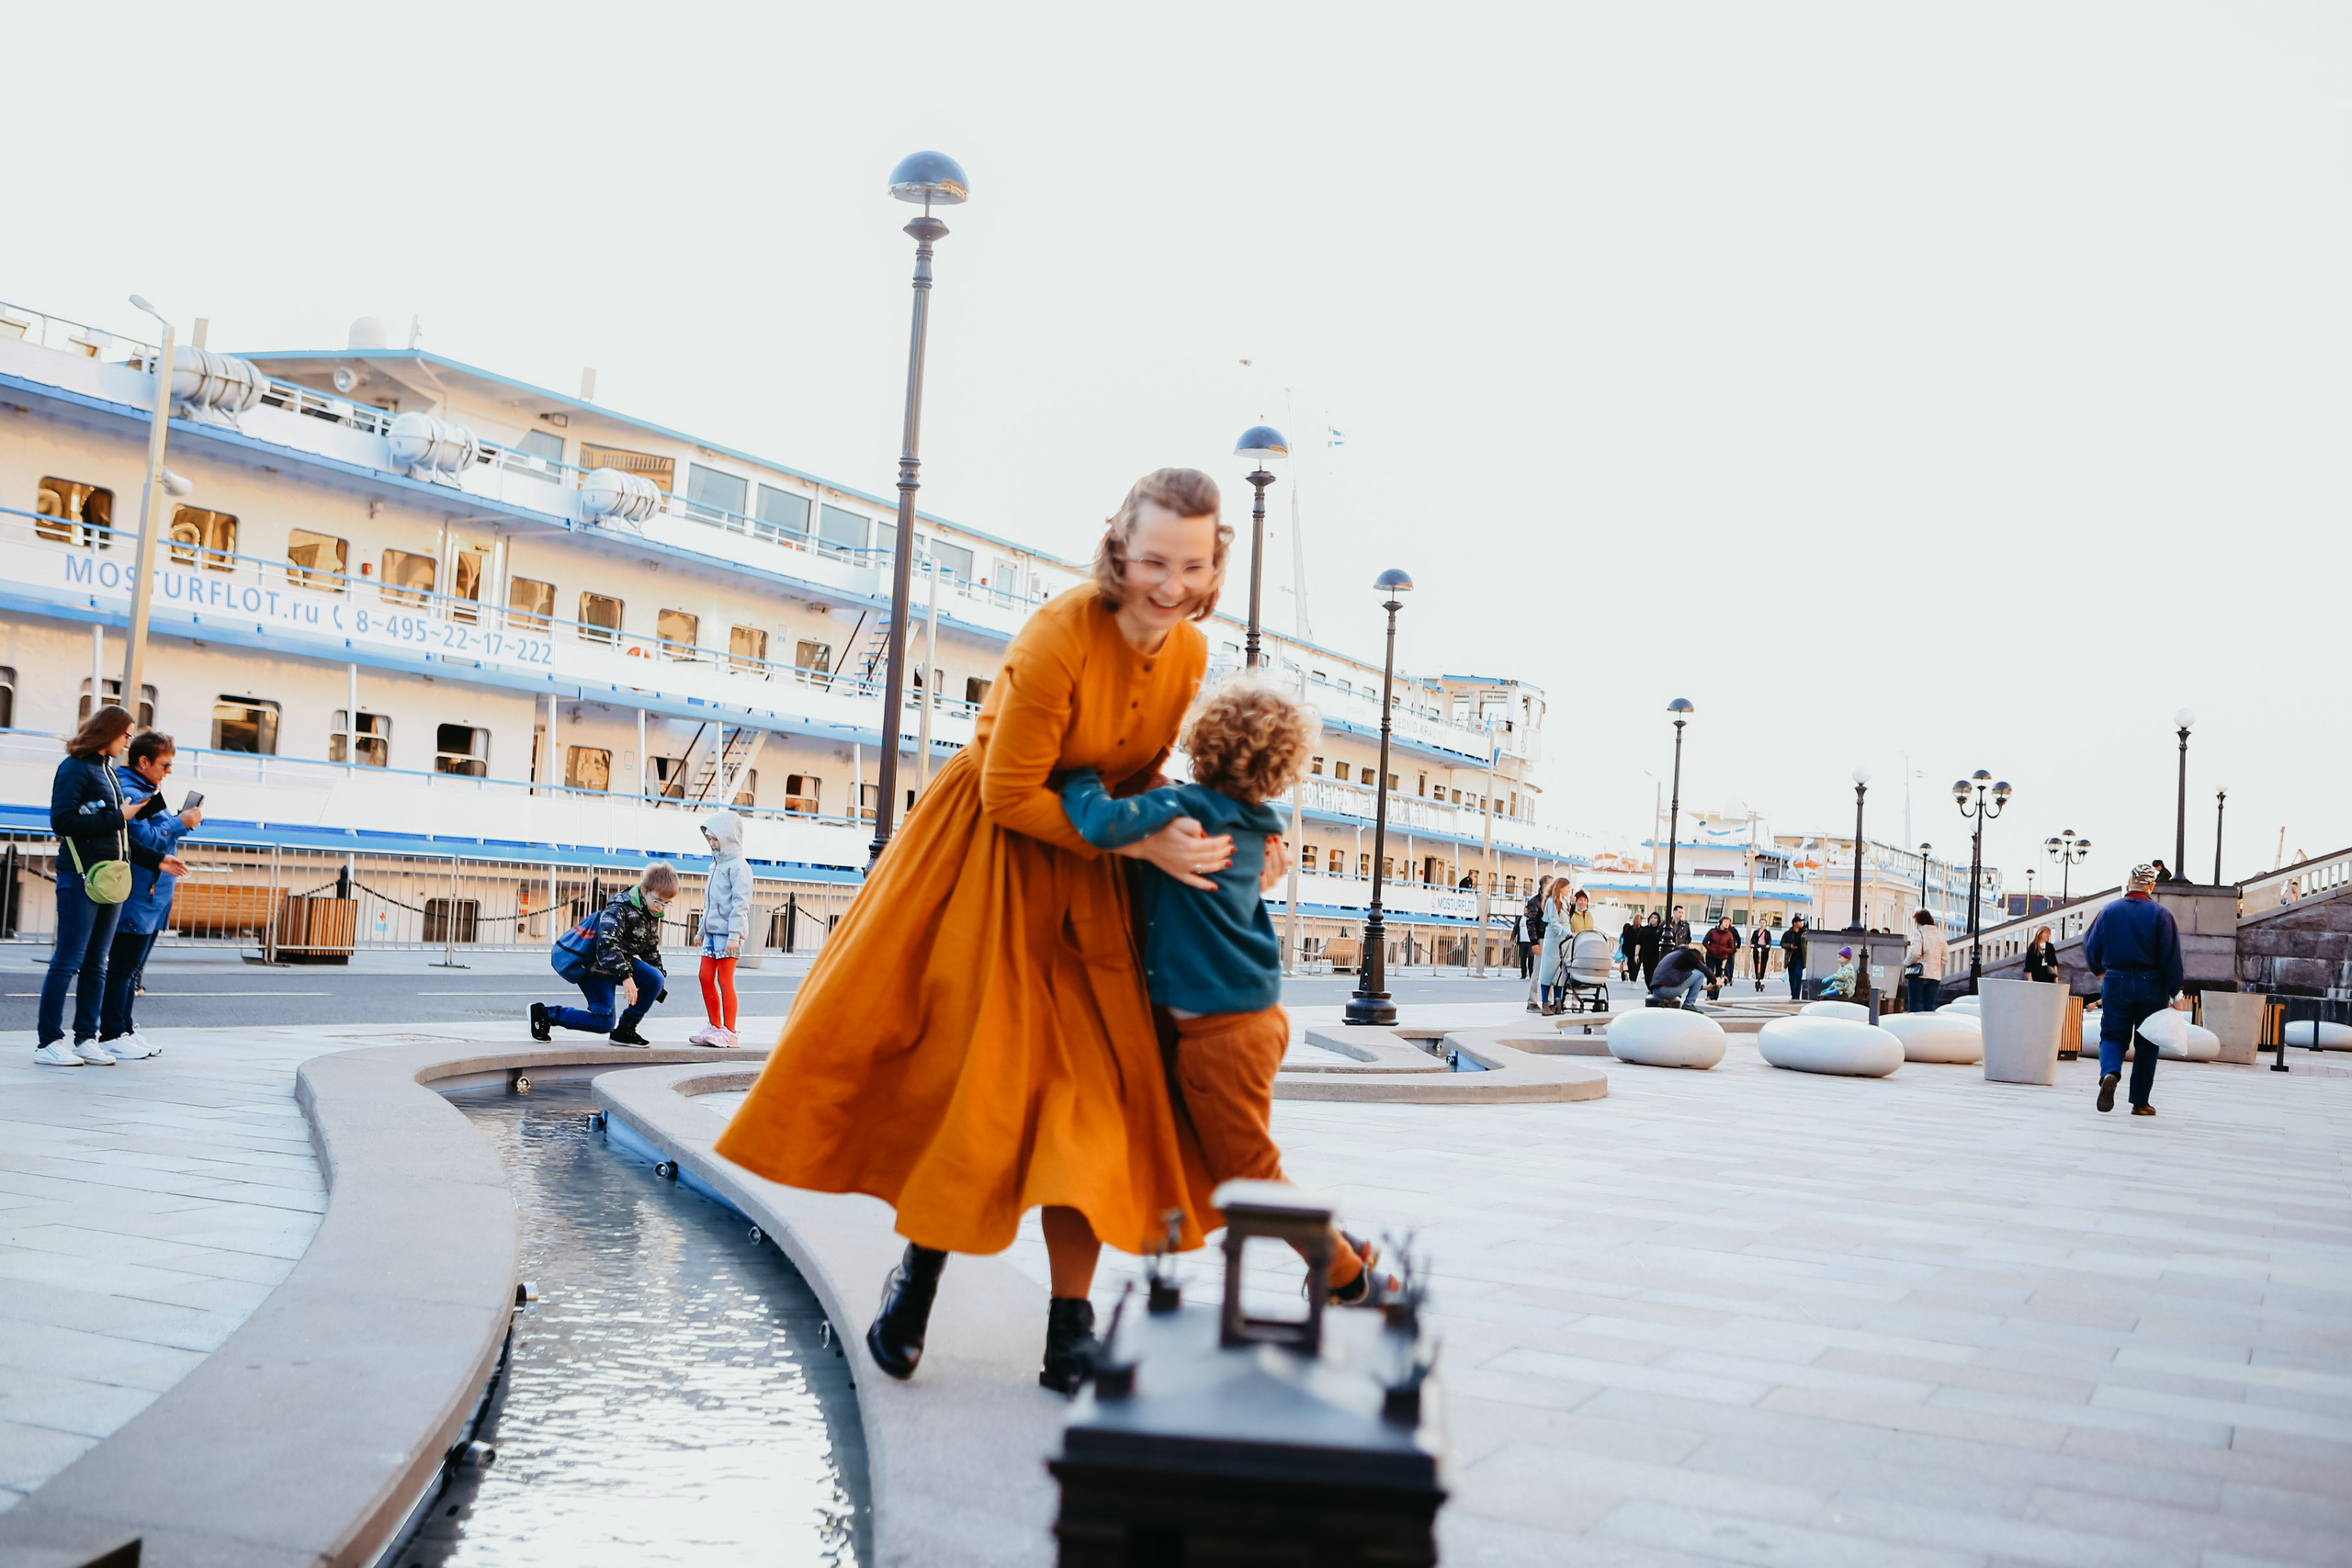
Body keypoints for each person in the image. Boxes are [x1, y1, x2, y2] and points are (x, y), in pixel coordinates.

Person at [713, 468, 1237, 1397]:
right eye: (1154, 559)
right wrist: (1140, 838)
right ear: (1120, 546)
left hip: (1093, 873)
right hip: (989, 866)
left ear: (1212, 563)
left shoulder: (1190, 654)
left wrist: (1195, 830)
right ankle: (915, 1288)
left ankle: (1067, 1333)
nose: (1169, 584)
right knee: (984, 1097)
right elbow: (1007, 795)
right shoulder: (1058, 636)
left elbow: (1139, 768)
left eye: (1189, 566)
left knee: (1086, 1111)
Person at [1058, 679, 1387, 1307]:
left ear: (1202, 741)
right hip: (1253, 1018)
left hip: (1220, 1036)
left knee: (1249, 1170)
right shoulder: (1260, 825)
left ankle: (1341, 1269)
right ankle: (1338, 1241)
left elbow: (1099, 822)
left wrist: (1080, 770)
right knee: (1239, 1155)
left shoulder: (1184, 810)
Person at [35, 708, 187, 1066]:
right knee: (67, 960)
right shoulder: (75, 767)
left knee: (96, 963)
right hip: (82, 875)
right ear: (110, 732)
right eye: (127, 735)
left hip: (111, 876)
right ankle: (48, 1041)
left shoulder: (105, 769)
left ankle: (86, 1038)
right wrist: (119, 815)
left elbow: (120, 834)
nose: (128, 742)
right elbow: (62, 820)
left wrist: (157, 860)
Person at [98, 730, 201, 1060]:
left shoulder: (144, 788)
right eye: (164, 764)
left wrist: (177, 821)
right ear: (144, 762)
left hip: (151, 893)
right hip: (139, 892)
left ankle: (124, 1028)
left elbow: (152, 834)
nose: (168, 771)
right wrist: (180, 823)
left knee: (131, 968)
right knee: (124, 967)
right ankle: (112, 1032)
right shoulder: (132, 792)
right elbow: (144, 841)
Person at [532, 862, 675, 1046]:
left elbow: (649, 949)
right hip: (595, 966)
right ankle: (546, 1014)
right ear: (645, 891)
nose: (661, 908)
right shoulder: (618, 909)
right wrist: (627, 978)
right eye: (658, 901)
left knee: (655, 978)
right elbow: (606, 947)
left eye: (667, 904)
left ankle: (625, 1030)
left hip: (620, 963)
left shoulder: (650, 913)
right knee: (603, 1022)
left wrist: (658, 979)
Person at [2083, 863, 2187, 1116]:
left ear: (2129, 882)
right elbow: (2171, 956)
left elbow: (2089, 944)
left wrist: (2099, 969)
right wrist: (2177, 992)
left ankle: (2109, 1072)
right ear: (2151, 886)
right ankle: (2140, 1102)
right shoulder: (2161, 915)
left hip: (2116, 978)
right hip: (2152, 982)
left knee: (2112, 1035)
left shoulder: (2109, 911)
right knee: (2148, 1041)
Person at [691, 810, 752, 1048]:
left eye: (715, 839)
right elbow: (709, 901)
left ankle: (730, 1031)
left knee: (725, 980)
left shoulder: (739, 867)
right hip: (712, 932)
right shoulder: (716, 865)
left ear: (728, 836)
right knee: (705, 976)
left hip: (729, 934)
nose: (713, 843)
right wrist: (701, 930)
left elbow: (741, 903)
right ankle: (715, 1026)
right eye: (710, 839)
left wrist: (735, 935)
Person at [1535, 882, 1586, 1013]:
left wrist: (1573, 905)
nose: (1569, 890)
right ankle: (1545, 1003)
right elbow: (1554, 923)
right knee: (1548, 972)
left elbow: (1567, 919)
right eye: (1568, 887)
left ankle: (1558, 1002)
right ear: (1561, 887)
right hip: (1554, 940)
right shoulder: (1552, 902)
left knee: (1561, 972)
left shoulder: (1564, 902)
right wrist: (1568, 933)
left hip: (1565, 941)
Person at [1905, 909, 1947, 1013]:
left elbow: (1915, 953)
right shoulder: (1940, 935)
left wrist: (1907, 962)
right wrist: (1935, 964)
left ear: (1919, 921)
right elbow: (1945, 957)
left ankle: (1916, 1028)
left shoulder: (1920, 932)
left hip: (1919, 975)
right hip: (1935, 976)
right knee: (1930, 1007)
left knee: (1916, 1007)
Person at [1648, 941, 1710, 1009]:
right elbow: (1705, 970)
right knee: (1700, 974)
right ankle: (1689, 1004)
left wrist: (1706, 988)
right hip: (1666, 990)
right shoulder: (1688, 955)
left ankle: (1666, 1000)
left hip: (1655, 990)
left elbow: (1685, 982)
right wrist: (1715, 982)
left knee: (1677, 985)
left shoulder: (1674, 955)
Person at [1702, 916, 1739, 999]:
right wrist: (1710, 948)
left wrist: (1724, 950)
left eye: (1728, 922)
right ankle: (1710, 995)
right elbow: (1705, 941)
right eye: (1725, 922)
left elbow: (1732, 948)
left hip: (1722, 957)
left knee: (1719, 976)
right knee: (1710, 974)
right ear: (1721, 922)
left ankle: (1716, 995)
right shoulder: (1713, 932)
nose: (1727, 924)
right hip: (1711, 956)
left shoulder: (1729, 935)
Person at [1782, 915, 1810, 1000]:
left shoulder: (1804, 934)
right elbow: (1782, 943)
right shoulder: (1788, 934)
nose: (1801, 923)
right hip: (1790, 959)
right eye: (1799, 922)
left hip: (1800, 958)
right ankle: (1793, 994)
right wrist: (1790, 946)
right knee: (1792, 978)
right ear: (1795, 923)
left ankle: (1797, 994)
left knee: (1798, 975)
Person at [1636, 912, 1665, 985]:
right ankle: (1649, 986)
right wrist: (1636, 954)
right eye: (1651, 918)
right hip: (1645, 954)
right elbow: (1639, 942)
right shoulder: (1644, 929)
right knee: (1646, 972)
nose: (1653, 920)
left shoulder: (1661, 930)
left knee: (1653, 971)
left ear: (1658, 920)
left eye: (1655, 918)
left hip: (1656, 954)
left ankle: (1652, 987)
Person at [1748, 920, 1771, 990]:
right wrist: (1752, 944)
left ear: (1766, 924)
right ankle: (1757, 977)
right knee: (1756, 962)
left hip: (1764, 949)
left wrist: (1768, 945)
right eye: (1761, 923)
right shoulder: (1756, 932)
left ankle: (1761, 977)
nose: (1762, 924)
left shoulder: (1767, 933)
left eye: (1763, 923)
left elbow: (1769, 941)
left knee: (1763, 963)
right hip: (1757, 947)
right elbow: (1752, 939)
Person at [1620, 916, 1641, 981]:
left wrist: (1624, 951)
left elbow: (1625, 941)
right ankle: (1633, 978)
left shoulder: (1630, 929)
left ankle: (1632, 977)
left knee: (1631, 964)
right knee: (1636, 965)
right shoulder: (1641, 930)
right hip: (1637, 950)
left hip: (1630, 950)